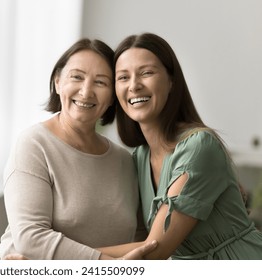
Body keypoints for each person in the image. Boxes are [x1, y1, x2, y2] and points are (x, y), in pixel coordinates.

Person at [98, 32, 262, 259]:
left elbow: (154, 249)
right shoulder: (139, 158)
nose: (134, 85)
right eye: (123, 77)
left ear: (171, 81)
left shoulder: (198, 147)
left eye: (146, 73)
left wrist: (56, 256)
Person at [0, 38, 155, 260]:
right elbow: (31, 238)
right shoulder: (34, 145)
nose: (86, 91)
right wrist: (110, 266)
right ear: (57, 82)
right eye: (77, 77)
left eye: (101, 82)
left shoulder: (124, 160)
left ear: (113, 96)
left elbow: (139, 238)